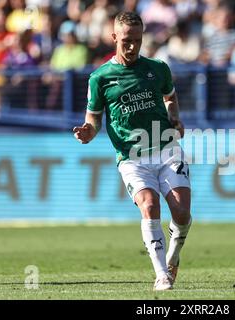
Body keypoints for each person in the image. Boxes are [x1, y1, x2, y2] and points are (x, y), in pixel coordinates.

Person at [73, 11, 192, 291]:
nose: (132, 46)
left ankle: (174, 254)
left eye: (137, 40)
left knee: (182, 213)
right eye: (126, 40)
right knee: (150, 206)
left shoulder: (158, 68)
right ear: (114, 37)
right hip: (132, 158)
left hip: (166, 149)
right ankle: (162, 275)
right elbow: (93, 120)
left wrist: (174, 117)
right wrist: (87, 132)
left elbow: (169, 96)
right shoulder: (100, 78)